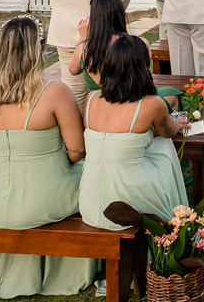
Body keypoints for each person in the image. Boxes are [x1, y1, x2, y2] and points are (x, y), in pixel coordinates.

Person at [0, 17, 97, 298]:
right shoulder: (54, 92)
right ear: (37, 52)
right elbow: (77, 150)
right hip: (47, 197)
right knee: (93, 176)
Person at [78, 37, 189, 235]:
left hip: (90, 202)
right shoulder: (152, 103)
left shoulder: (91, 98)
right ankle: (175, 208)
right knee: (164, 145)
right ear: (143, 66)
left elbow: (114, 136)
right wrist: (175, 123)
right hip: (130, 204)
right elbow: (169, 132)